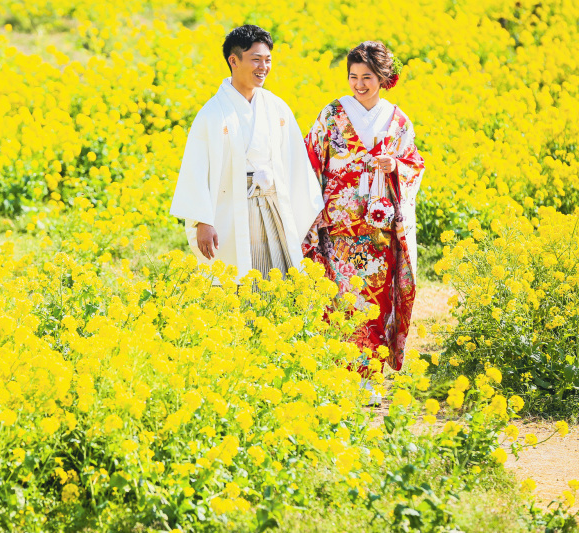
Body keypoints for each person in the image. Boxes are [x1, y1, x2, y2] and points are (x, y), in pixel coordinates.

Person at [303, 41, 425, 397]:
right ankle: (337, 379)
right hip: (338, 229)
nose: (359, 84)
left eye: (367, 77)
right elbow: (311, 159)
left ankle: (368, 380)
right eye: (353, 76)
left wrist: (396, 167)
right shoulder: (332, 114)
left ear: (383, 77)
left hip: (378, 231)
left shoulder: (398, 121)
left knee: (375, 303)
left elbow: (414, 166)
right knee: (340, 301)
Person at [170, 25, 323, 282]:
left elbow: (295, 161)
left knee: (279, 272)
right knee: (234, 275)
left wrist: (305, 208)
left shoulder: (276, 107)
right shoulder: (211, 113)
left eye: (268, 60)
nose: (263, 67)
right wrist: (202, 222)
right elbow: (195, 170)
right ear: (234, 61)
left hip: (274, 204)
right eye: (255, 60)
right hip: (230, 208)